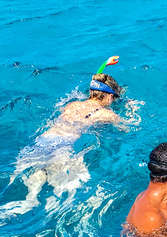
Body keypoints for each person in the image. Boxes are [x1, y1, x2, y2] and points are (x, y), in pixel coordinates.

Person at [0, 56, 141, 219]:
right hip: (62, 147)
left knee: (34, 178)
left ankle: (16, 207)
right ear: (109, 96)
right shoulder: (105, 114)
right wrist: (132, 108)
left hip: (42, 141)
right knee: (60, 193)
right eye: (114, 97)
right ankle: (24, 207)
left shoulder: (71, 105)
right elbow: (128, 128)